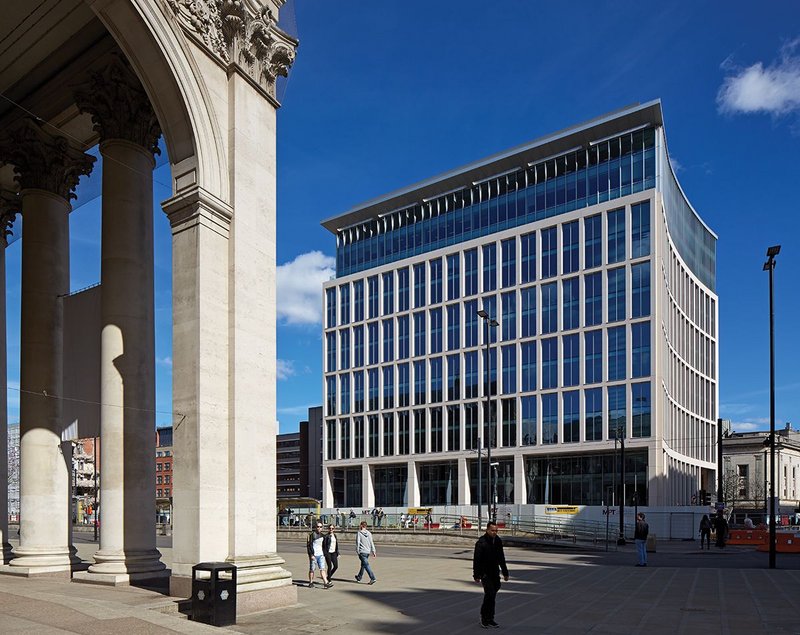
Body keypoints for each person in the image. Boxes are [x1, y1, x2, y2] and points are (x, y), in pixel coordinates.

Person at [473, 521, 509, 629]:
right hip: (485, 574)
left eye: (496, 531)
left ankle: (490, 618)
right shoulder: (481, 542)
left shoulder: (497, 541)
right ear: (487, 530)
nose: (494, 532)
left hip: (495, 572)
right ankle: (484, 618)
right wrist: (476, 575)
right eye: (492, 530)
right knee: (490, 594)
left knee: (492, 594)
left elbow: (501, 558)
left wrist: (505, 572)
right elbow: (477, 560)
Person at [306, 523, 332, 588]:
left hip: (321, 555)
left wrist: (324, 554)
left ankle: (326, 583)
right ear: (315, 527)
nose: (319, 528)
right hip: (314, 555)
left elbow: (325, 546)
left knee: (322, 569)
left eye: (320, 527)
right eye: (318, 526)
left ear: (322, 528)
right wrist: (311, 555)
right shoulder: (311, 535)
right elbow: (309, 546)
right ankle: (311, 582)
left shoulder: (323, 536)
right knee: (312, 569)